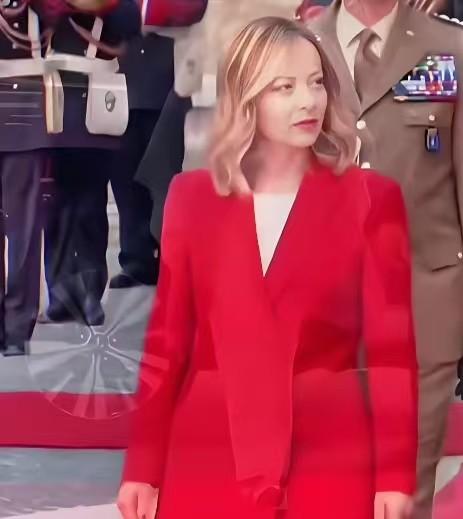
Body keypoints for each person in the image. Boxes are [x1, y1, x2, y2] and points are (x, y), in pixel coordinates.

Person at [117, 16, 418, 519]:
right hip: (208, 450)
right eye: (285, 87)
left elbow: (392, 353)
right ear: (246, 98)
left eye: (316, 83)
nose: (309, 101)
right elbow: (167, 345)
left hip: (329, 451)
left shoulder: (371, 200)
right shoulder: (192, 199)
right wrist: (143, 468)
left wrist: (394, 475)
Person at [306, 1, 463, 517]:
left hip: (423, 302)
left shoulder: (447, 49)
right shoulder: (298, 47)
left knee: (405, 484)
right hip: (319, 312)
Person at [40, 0, 141, 326]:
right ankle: (59, 295)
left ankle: (89, 295)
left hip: (97, 102)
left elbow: (130, 23)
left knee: (90, 204)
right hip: (53, 102)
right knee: (55, 206)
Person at [108, 32, 174, 289]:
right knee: (125, 182)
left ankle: (170, 258)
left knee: (164, 182)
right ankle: (137, 261)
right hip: (116, 83)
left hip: (166, 85)